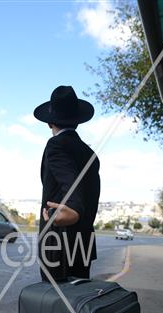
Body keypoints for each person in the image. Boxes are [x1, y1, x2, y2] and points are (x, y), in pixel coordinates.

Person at [33, 85, 100, 282]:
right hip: (83, 245)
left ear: (49, 122)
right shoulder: (90, 154)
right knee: (79, 304)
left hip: (58, 245)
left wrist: (73, 208)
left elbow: (70, 181)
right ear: (77, 122)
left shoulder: (55, 145)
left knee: (55, 306)